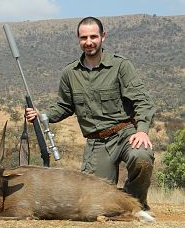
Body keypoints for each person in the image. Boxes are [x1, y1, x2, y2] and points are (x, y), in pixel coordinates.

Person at [25, 16, 155, 211]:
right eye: (83, 38)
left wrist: (142, 130)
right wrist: (41, 116)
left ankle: (136, 204)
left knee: (142, 157)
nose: (89, 42)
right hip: (97, 143)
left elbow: (143, 101)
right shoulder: (70, 73)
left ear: (103, 36)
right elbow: (64, 106)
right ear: (78, 39)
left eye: (93, 36)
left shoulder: (121, 66)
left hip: (125, 134)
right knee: (90, 201)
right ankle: (119, 203)